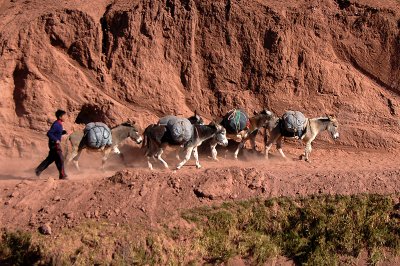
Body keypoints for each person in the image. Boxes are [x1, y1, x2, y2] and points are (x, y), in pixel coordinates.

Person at [35, 109, 68, 180]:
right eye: (64, 116)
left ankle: (38, 170)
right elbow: (49, 133)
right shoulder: (56, 124)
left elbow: (56, 133)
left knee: (50, 159)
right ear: (60, 117)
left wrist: (63, 132)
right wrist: (56, 140)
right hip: (55, 145)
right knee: (60, 159)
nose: (65, 117)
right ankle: (62, 175)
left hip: (53, 144)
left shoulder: (59, 124)